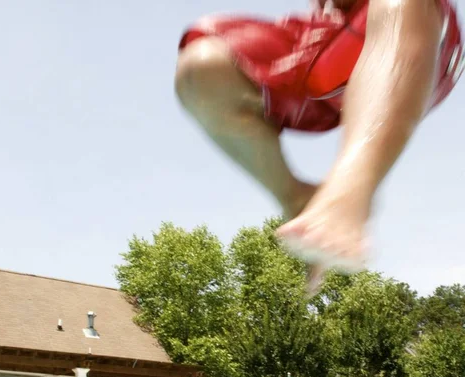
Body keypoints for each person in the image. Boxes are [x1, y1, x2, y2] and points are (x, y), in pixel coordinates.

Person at [175, 0, 463, 294]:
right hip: (330, 40)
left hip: (415, 28)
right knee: (204, 65)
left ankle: (351, 189)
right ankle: (295, 197)